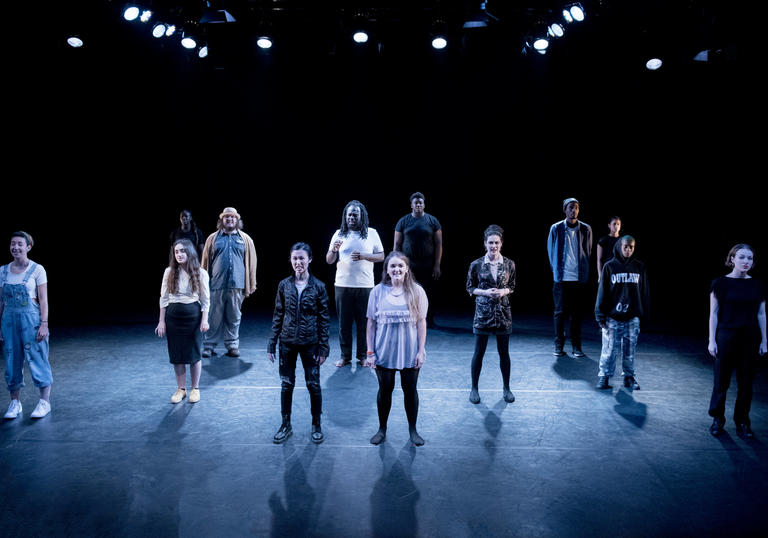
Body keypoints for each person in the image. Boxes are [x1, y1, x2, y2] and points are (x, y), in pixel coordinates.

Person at [267, 242, 330, 444]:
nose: (298, 262)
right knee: (286, 385)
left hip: (310, 344)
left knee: (314, 385)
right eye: (295, 258)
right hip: (287, 344)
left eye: (302, 258)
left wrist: (323, 347)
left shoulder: (319, 287)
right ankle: (286, 425)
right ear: (291, 260)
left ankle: (316, 425)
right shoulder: (284, 285)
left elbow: (324, 319)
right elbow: (278, 314)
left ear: (309, 259)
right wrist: (272, 342)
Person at [365, 251, 428, 446]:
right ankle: (382, 429)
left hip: (409, 352)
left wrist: (421, 350)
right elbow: (371, 325)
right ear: (387, 270)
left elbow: (421, 323)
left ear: (407, 269)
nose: (397, 269)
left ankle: (413, 430)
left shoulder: (417, 291)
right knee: (385, 390)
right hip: (384, 352)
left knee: (410, 390)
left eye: (400, 266)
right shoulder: (377, 292)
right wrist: (370, 352)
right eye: (392, 266)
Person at [707, 244, 767, 437]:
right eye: (742, 257)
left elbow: (761, 314)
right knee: (721, 381)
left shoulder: (757, 284)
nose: (746, 261)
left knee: (746, 382)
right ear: (732, 259)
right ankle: (718, 418)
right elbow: (713, 314)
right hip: (726, 336)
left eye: (750, 258)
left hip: (750, 338)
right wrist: (712, 340)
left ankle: (742, 420)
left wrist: (764, 341)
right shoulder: (720, 283)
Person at [326, 200, 384, 367]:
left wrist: (365, 256)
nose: (351, 217)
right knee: (344, 324)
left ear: (361, 216)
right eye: (349, 214)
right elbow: (329, 260)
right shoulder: (338, 234)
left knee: (364, 323)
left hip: (365, 286)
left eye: (355, 214)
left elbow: (381, 256)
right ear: (345, 216)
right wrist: (333, 251)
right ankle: (345, 356)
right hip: (342, 285)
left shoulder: (371, 233)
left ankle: (363, 356)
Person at [0, 231, 52, 419]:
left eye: (20, 244)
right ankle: (15, 403)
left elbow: (43, 300)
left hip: (31, 321)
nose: (15, 247)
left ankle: (44, 402)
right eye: (13, 243)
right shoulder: (3, 271)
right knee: (11, 361)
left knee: (38, 359)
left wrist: (44, 324)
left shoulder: (37, 270)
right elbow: (1, 301)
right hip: (8, 321)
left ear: (28, 247)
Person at [465, 225, 516, 405]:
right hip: (483, 314)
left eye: (496, 243)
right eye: (490, 243)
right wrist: (486, 293)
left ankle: (506, 388)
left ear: (501, 244)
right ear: (485, 244)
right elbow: (470, 288)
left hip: (502, 314)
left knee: (504, 354)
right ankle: (474, 388)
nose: (493, 246)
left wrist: (503, 292)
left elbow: (512, 286)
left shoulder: (509, 264)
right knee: (479, 353)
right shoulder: (476, 264)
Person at [155, 239, 210, 404]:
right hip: (173, 316)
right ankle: (181, 389)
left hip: (192, 316)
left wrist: (205, 320)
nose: (179, 254)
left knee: (193, 354)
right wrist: (161, 322)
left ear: (190, 253)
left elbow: (206, 299)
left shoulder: (200, 273)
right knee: (177, 354)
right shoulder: (169, 272)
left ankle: (195, 388)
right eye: (176, 251)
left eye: (182, 251)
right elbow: (163, 299)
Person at [201, 207, 257, 358]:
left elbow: (252, 264)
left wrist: (251, 284)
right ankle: (208, 346)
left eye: (233, 217)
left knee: (234, 317)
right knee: (213, 317)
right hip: (216, 285)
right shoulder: (213, 238)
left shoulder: (245, 239)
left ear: (237, 220)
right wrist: (203, 284)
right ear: (222, 220)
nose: (230, 219)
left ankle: (232, 345)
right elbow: (205, 262)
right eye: (227, 217)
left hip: (237, 285)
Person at [594, 236, 650, 390]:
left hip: (632, 317)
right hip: (613, 317)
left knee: (630, 349)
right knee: (610, 348)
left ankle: (629, 377)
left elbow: (644, 292)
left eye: (631, 247)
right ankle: (603, 376)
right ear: (620, 246)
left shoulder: (639, 267)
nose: (628, 250)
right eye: (626, 247)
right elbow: (602, 292)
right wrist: (600, 315)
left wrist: (644, 314)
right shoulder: (609, 266)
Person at [547, 197, 593, 358]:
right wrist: (557, 272)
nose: (573, 210)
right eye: (570, 207)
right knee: (559, 313)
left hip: (578, 279)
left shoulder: (586, 229)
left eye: (576, 208)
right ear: (565, 210)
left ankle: (576, 346)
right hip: (561, 279)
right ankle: (559, 345)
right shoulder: (556, 228)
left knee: (577, 314)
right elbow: (550, 252)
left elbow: (588, 251)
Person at [394, 192, 443, 328]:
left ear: (424, 204)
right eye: (416, 202)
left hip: (428, 263)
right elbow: (397, 245)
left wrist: (437, 265)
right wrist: (396, 264)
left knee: (428, 292)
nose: (418, 205)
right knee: (409, 291)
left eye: (420, 202)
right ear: (411, 205)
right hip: (408, 264)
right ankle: (410, 318)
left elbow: (439, 244)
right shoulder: (403, 221)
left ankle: (429, 320)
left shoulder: (432, 221)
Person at [596, 216, 621, 281]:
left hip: (619, 270)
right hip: (608, 270)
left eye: (618, 224)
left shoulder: (622, 240)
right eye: (614, 224)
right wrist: (600, 275)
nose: (616, 226)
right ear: (609, 225)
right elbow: (599, 260)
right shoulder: (603, 240)